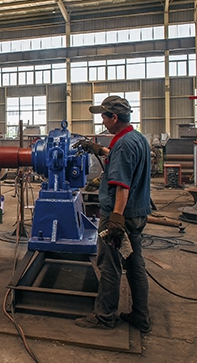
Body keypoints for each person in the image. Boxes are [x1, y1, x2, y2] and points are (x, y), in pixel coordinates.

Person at [73, 95, 152, 333]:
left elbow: (122, 185)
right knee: (135, 264)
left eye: (104, 116)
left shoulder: (124, 144)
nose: (102, 120)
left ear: (114, 117)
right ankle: (141, 315)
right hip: (138, 212)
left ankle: (104, 316)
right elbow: (122, 158)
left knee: (110, 265)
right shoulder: (137, 139)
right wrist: (99, 149)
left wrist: (116, 218)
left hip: (120, 215)